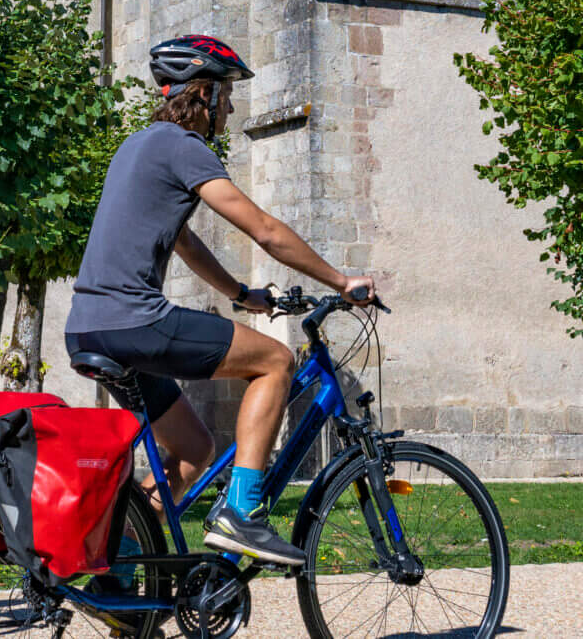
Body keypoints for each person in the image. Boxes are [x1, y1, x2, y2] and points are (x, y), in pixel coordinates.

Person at [63, 35, 379, 570]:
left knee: (192, 452)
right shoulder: (184, 148)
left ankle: (113, 570)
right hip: (134, 320)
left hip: (90, 328)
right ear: (204, 94)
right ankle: (242, 514)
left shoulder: (136, 146)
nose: (230, 110)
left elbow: (182, 240)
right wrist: (340, 278)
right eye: (227, 97)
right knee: (277, 361)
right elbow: (265, 231)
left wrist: (239, 294)